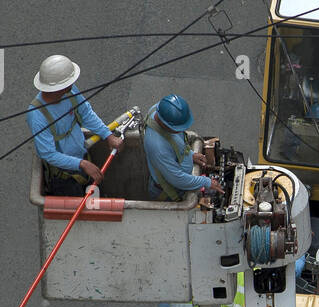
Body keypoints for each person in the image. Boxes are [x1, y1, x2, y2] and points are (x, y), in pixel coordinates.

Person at [26, 54, 122, 196]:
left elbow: (86, 114)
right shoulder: (37, 115)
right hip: (63, 178)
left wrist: (108, 135)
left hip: (82, 159)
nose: (72, 84)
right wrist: (81, 164)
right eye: (68, 82)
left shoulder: (70, 92)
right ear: (57, 87)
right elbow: (48, 153)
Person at [142, 93, 224, 201]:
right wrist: (206, 181)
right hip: (169, 193)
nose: (181, 131)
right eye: (177, 128)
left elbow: (175, 141)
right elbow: (177, 179)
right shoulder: (157, 146)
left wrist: (190, 155)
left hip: (178, 181)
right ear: (165, 124)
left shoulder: (159, 109)